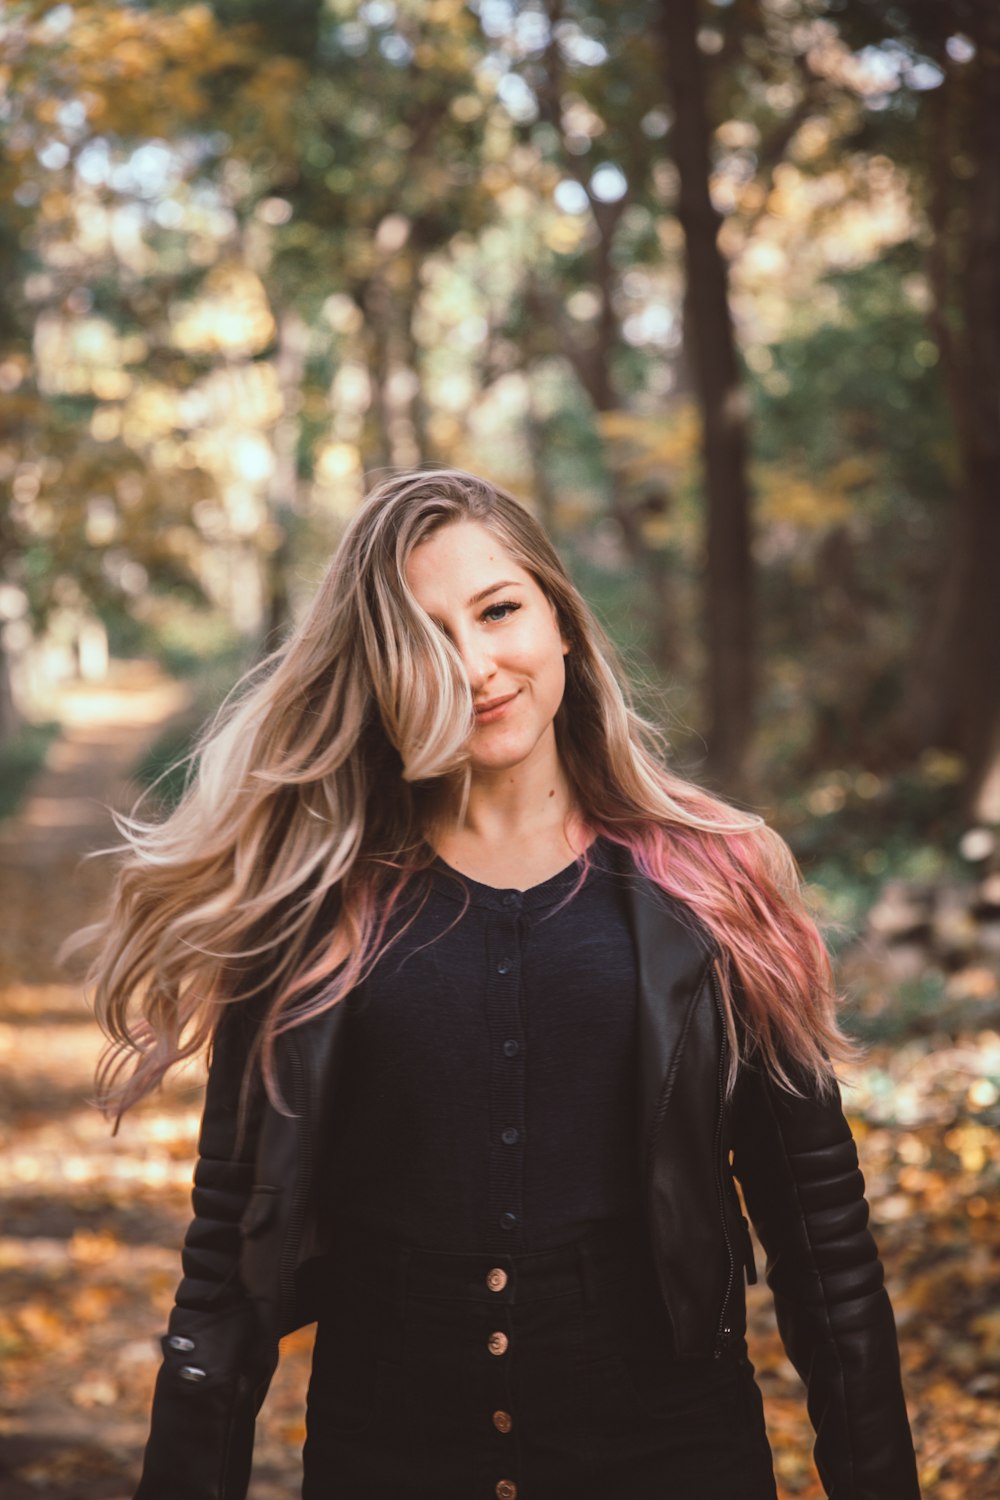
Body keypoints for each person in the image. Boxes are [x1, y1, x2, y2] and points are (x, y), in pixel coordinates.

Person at [85, 468, 921, 1500]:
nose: (475, 666)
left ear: (562, 622)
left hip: (673, 1465)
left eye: (499, 610)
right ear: (381, 673)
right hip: (388, 1468)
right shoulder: (310, 915)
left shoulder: (717, 885)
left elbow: (827, 1260)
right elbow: (225, 1280)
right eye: (426, 638)